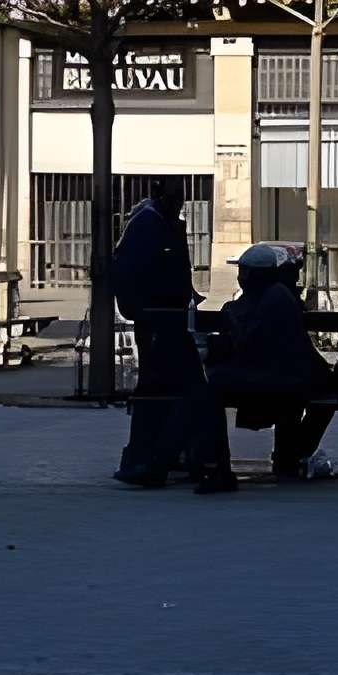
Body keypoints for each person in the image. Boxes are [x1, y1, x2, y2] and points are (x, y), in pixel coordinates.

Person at [110, 180, 235, 493]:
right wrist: (144, 311)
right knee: (169, 390)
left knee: (174, 391)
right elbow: (136, 274)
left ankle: (163, 459)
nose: (178, 205)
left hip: (167, 319)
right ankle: (164, 459)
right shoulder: (148, 226)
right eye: (174, 198)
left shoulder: (159, 224)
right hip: (160, 320)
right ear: (159, 196)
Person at [209, 242, 338, 480]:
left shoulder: (256, 303)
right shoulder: (279, 296)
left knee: (209, 388)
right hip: (287, 378)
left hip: (271, 380)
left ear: (250, 275)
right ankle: (289, 455)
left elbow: (243, 345)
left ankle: (215, 461)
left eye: (242, 272)